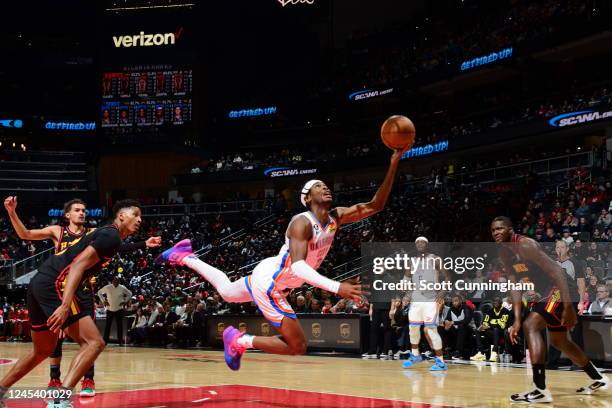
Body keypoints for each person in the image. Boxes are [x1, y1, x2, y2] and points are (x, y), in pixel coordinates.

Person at [157, 147, 407, 370]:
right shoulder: (301, 222)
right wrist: (335, 286)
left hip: (274, 274)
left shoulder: (335, 218)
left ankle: (185, 257)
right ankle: (240, 340)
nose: (325, 187)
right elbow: (298, 267)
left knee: (227, 292)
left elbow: (376, 205)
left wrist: (393, 163)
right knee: (297, 345)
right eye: (318, 186)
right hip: (272, 283)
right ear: (307, 198)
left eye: (325, 185)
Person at [3, 196, 160, 398]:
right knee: (94, 343)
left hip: (40, 282)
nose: (140, 219)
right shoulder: (101, 234)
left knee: (42, 350)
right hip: (59, 284)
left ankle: (1, 390)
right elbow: (77, 266)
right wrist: (65, 305)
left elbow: (116, 247)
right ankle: (61, 399)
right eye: (135, 214)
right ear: (121, 216)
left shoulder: (103, 235)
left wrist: (143, 244)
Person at [491, 216, 609, 403]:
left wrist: (569, 305)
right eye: (493, 230)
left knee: (531, 326)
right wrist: (516, 320)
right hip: (547, 293)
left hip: (561, 288)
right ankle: (599, 378)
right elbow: (514, 286)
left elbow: (557, 272)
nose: (496, 232)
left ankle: (540, 389)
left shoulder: (526, 245)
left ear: (510, 229)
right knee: (559, 341)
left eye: (500, 228)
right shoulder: (505, 254)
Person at [402, 237, 450, 371]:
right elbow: (406, 278)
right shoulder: (411, 262)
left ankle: (441, 361)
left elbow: (447, 277)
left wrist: (443, 291)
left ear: (427, 244)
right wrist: (404, 286)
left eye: (422, 242)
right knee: (413, 328)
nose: (419, 244)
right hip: (416, 299)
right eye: (417, 242)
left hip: (431, 299)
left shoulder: (435, 259)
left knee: (431, 330)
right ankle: (415, 355)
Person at [470, 296, 510, 362]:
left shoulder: (505, 311)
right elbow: (485, 322)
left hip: (501, 333)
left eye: (497, 302)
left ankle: (494, 352)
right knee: (477, 330)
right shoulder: (490, 311)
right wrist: (484, 326)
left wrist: (490, 324)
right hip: (491, 331)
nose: (495, 303)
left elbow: (502, 325)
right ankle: (481, 352)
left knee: (496, 329)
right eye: (494, 302)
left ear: (501, 303)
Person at [98, 277, 132, 346]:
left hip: (119, 309)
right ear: (112, 281)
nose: (115, 282)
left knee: (120, 326)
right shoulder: (108, 287)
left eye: (117, 281)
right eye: (114, 281)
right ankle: (105, 341)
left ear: (119, 281)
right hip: (109, 309)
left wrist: (125, 301)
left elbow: (130, 294)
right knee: (108, 326)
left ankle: (120, 342)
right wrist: (104, 301)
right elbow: (99, 292)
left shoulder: (122, 288)